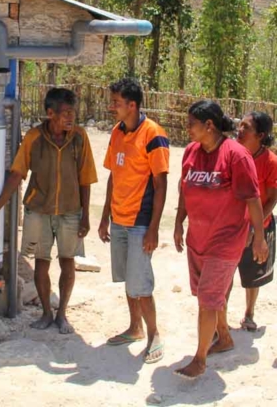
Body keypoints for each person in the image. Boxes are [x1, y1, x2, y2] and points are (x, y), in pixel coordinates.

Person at [0, 88, 97, 334]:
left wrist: (85, 215)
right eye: (65, 113)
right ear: (50, 113)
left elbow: (85, 179)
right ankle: (46, 312)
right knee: (41, 263)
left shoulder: (79, 137)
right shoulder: (34, 137)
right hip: (38, 211)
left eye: (72, 112)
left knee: (68, 262)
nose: (70, 117)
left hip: (70, 211)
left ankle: (62, 313)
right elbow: (17, 174)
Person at [173, 100, 268, 379]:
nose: (187, 127)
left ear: (209, 125)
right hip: (198, 237)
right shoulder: (191, 152)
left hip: (226, 240)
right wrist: (179, 222)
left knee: (207, 300)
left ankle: (199, 360)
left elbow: (253, 199)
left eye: (191, 122)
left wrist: (259, 239)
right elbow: (184, 189)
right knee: (208, 297)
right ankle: (224, 337)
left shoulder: (236, 156)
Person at [98, 78, 168, 364]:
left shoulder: (153, 134)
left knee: (141, 284)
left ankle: (154, 335)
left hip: (140, 222)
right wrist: (105, 217)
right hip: (119, 219)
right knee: (128, 279)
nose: (111, 106)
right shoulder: (116, 132)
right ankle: (135, 328)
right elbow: (114, 175)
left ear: (132, 105)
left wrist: (153, 229)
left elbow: (161, 184)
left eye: (116, 102)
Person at [233, 112, 277, 331]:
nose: (239, 130)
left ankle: (249, 314)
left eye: (246, 127)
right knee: (224, 273)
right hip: (233, 225)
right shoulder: (232, 154)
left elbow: (272, 198)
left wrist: (256, 227)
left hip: (259, 226)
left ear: (260, 135)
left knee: (252, 276)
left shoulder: (270, 162)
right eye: (239, 125)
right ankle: (219, 319)